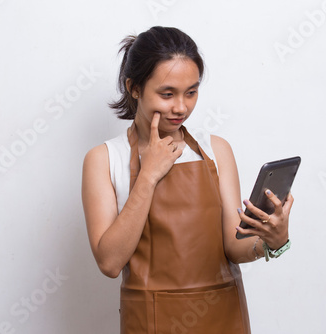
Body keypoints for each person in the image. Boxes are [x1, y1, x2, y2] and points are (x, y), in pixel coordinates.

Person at [82, 26, 294, 334]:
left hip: (224, 317)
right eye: (167, 94)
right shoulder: (103, 159)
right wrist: (149, 174)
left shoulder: (216, 149)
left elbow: (234, 247)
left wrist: (270, 242)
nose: (181, 107)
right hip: (151, 322)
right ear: (134, 88)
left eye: (191, 92)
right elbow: (110, 263)